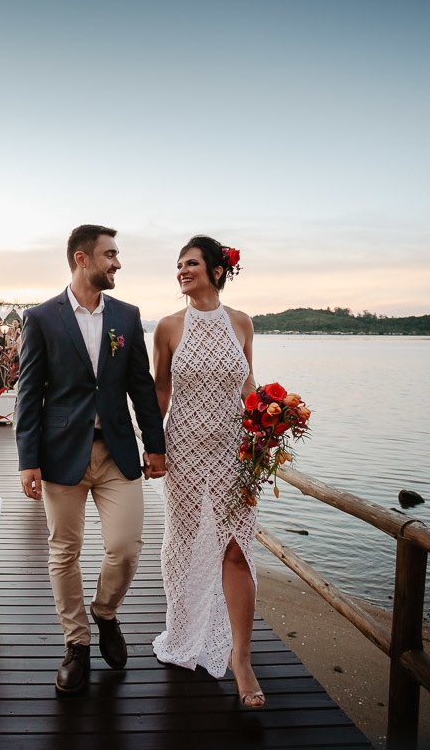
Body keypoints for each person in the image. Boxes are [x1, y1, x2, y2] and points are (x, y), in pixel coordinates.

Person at [15, 224, 166, 695]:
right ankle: (76, 644)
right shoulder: (42, 318)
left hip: (118, 452)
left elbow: (141, 386)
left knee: (126, 547)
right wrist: (27, 459)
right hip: (61, 454)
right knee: (64, 550)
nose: (117, 263)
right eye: (110, 255)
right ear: (82, 259)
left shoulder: (127, 316)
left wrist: (155, 445)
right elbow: (28, 393)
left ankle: (105, 612)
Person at [150, 235, 264, 709]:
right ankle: (183, 631)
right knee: (184, 547)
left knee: (236, 551)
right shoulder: (168, 327)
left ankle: (242, 659)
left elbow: (248, 383)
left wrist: (267, 425)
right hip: (185, 454)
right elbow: (160, 391)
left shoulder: (241, 323)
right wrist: (151, 448)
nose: (182, 271)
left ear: (216, 271)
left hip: (235, 455)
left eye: (191, 263)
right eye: (179, 265)